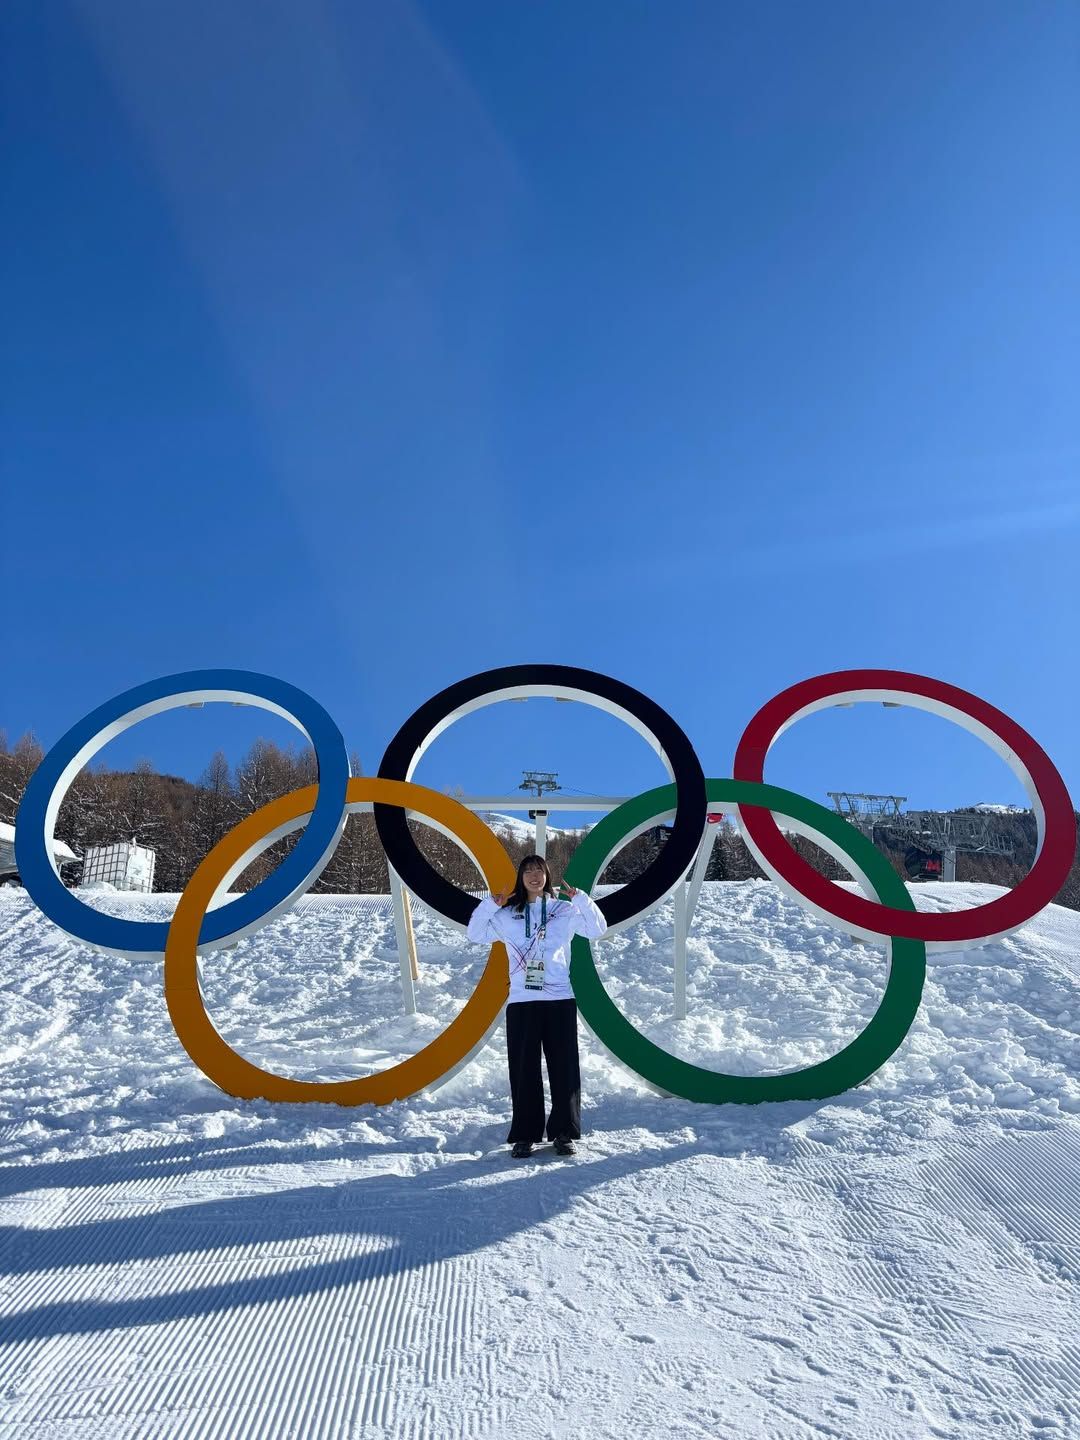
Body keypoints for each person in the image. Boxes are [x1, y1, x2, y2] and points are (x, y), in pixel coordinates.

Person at [466, 853, 607, 1158]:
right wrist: (491, 904)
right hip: (522, 1001)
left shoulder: (563, 911)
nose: (533, 876)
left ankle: (563, 1133)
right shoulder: (506, 916)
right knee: (524, 1070)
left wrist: (581, 899)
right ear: (521, 877)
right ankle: (526, 1135)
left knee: (564, 1068)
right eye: (528, 871)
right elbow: (474, 933)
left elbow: (598, 929)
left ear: (546, 876)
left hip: (559, 999)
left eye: (539, 871)